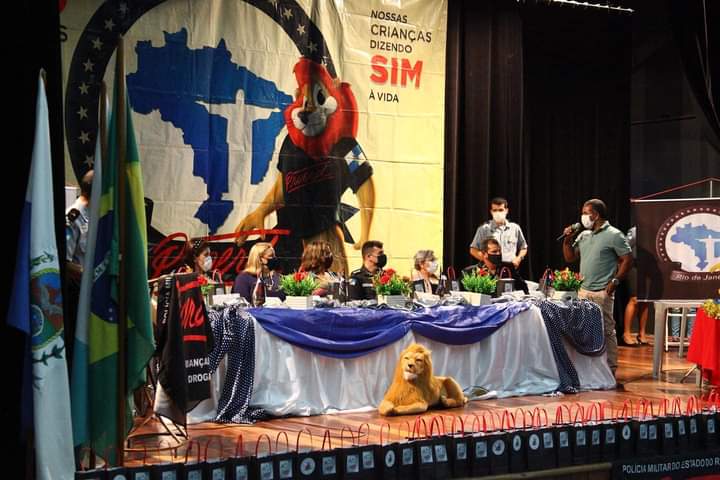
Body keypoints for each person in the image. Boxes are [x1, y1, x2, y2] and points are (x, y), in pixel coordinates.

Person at [562, 198, 633, 378]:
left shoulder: (614, 234)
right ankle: (587, 369)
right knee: (584, 329)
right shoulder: (584, 235)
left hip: (602, 291)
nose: (583, 217)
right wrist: (567, 240)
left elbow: (627, 259)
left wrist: (615, 281)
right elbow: (570, 258)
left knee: (606, 330)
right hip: (583, 291)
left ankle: (610, 369)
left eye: (586, 213)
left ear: (596, 215)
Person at [469, 197, 528, 269]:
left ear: (506, 210)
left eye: (500, 210)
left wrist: (519, 258)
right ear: (491, 212)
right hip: (490, 270)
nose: (498, 213)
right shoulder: (484, 229)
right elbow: (473, 250)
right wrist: (486, 260)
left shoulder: (515, 228)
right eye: (495, 210)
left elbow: (524, 247)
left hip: (510, 269)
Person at [463, 238, 529, 293]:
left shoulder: (508, 267)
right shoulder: (470, 272)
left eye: (499, 251)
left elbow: (524, 289)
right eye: (494, 251)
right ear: (485, 254)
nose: (498, 254)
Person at [622, 226, 649, 345]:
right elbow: (624, 248)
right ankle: (626, 333)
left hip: (648, 269)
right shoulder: (634, 230)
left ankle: (642, 333)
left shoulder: (656, 228)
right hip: (634, 268)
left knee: (646, 300)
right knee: (635, 299)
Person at [66, 170, 94, 269]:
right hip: (81, 278)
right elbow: (66, 262)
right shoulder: (73, 218)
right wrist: (88, 274)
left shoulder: (96, 214)